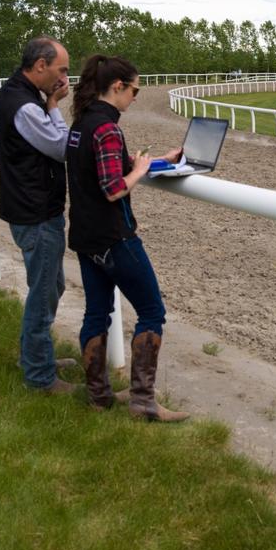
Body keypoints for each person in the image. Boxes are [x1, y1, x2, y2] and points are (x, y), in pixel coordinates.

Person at [66, 54, 188, 422]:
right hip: (115, 238)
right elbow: (112, 188)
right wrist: (136, 170)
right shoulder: (106, 128)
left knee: (96, 312)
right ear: (117, 87)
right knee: (152, 311)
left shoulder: (82, 123)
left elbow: (102, 168)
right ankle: (143, 402)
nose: (136, 97)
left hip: (86, 237)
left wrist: (158, 162)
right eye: (135, 90)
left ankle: (98, 396)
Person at [0, 36, 75, 395]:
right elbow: (61, 148)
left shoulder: (20, 94)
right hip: (36, 213)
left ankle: (34, 357)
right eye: (61, 70)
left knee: (52, 286)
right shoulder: (25, 105)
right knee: (44, 293)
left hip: (32, 208)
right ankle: (40, 377)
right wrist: (55, 107)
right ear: (40, 66)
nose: (63, 78)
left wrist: (51, 101)